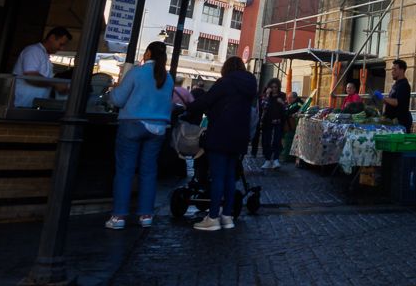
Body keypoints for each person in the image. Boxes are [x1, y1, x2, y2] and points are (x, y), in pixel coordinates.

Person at [106, 41, 176, 229]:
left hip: (133, 124)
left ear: (148, 53)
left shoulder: (137, 72)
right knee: (149, 171)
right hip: (158, 128)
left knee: (125, 170)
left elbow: (119, 99)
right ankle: (146, 215)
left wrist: (111, 92)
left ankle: (119, 216)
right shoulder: (168, 78)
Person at [185, 56, 257, 231]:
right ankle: (227, 216)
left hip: (221, 133)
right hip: (240, 135)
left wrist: (189, 106)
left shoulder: (225, 82)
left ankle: (213, 217)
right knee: (230, 176)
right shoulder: (250, 84)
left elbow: (206, 101)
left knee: (217, 175)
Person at [13, 27, 72, 108]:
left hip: (33, 106)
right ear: (52, 38)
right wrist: (55, 84)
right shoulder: (34, 51)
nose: (61, 48)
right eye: (61, 44)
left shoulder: (44, 54)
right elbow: (30, 76)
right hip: (22, 105)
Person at [257, 82, 287, 170]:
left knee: (277, 141)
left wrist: (282, 103)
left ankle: (275, 160)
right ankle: (267, 160)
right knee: (266, 140)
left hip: (278, 122)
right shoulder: (266, 97)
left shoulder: (282, 96)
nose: (274, 89)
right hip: (267, 123)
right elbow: (263, 106)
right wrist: (267, 94)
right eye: (272, 87)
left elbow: (287, 108)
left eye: (276, 87)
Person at [381, 59, 412, 130]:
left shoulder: (404, 85)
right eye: (392, 69)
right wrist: (383, 100)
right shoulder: (396, 84)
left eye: (395, 69)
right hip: (391, 121)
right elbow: (391, 100)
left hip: (399, 123)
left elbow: (396, 102)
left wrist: (382, 97)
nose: (392, 72)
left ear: (402, 70)